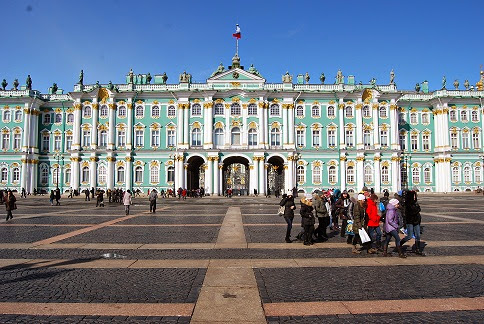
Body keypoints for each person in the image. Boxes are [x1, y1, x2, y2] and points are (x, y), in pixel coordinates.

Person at [400, 191, 424, 255]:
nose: (415, 197)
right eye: (413, 196)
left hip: (416, 221)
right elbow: (411, 213)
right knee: (410, 236)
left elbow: (417, 211)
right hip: (410, 222)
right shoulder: (407, 204)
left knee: (418, 235)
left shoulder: (415, 203)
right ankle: (399, 244)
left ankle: (417, 249)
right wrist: (418, 209)